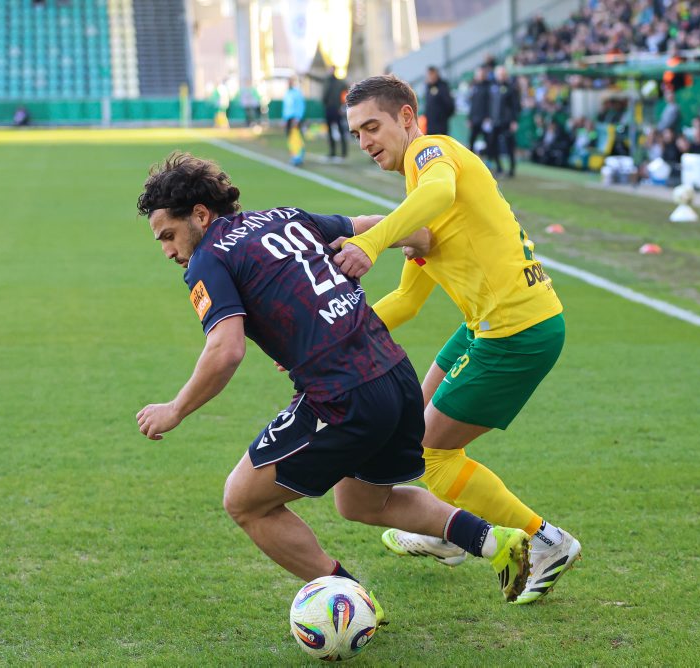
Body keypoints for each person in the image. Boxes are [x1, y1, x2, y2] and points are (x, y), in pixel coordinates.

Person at [135, 152, 532, 604]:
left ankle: (351, 603)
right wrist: (420, 237)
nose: (168, 250)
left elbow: (226, 350)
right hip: (398, 378)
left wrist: (176, 409)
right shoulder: (284, 217)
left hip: (342, 394)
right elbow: (368, 224)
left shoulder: (208, 258)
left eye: (169, 235)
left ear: (201, 216)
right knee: (363, 502)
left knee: (243, 501)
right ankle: (496, 542)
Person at [335, 75, 581, 605]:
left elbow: (441, 189)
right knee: (411, 428)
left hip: (517, 332)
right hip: (482, 325)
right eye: (356, 133)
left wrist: (371, 242)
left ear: (406, 116)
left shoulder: (431, 153)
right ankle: (443, 532)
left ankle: (547, 542)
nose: (365, 142)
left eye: (372, 126)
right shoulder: (417, 198)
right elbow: (406, 301)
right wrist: (331, 337)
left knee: (431, 453)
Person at [489, 65, 520, 177]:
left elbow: (515, 105)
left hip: (506, 121)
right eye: (499, 74)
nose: (501, 76)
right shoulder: (493, 87)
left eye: (502, 74)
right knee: (492, 144)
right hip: (495, 121)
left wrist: (514, 121)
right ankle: (499, 167)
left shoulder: (511, 87)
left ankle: (511, 170)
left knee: (509, 145)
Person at [322, 65, 348, 161]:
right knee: (329, 131)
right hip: (328, 108)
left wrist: (342, 106)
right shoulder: (326, 81)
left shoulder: (340, 82)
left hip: (336, 109)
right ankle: (332, 152)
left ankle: (344, 153)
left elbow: (347, 91)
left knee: (341, 131)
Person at [466, 66, 492, 158]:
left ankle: (489, 160)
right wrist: (469, 119)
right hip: (475, 119)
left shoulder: (488, 87)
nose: (479, 76)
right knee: (471, 140)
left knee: (489, 141)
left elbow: (490, 104)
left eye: (481, 74)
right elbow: (472, 105)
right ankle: (470, 160)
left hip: (485, 120)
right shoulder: (475, 87)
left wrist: (488, 118)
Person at [423, 66, 455, 137]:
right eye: (428, 74)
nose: (430, 76)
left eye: (431, 74)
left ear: (436, 74)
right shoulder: (428, 87)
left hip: (440, 125)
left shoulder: (443, 86)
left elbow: (449, 105)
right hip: (430, 125)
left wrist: (442, 117)